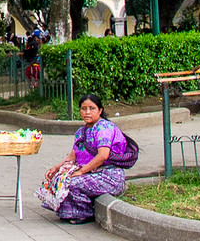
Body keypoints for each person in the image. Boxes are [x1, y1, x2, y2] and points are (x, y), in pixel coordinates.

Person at [37, 93, 131, 224]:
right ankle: (72, 210)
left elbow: (103, 155)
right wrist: (55, 169)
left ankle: (85, 212)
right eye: (83, 108)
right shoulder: (82, 131)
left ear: (100, 111)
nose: (87, 112)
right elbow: (73, 156)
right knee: (58, 179)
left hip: (109, 175)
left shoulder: (104, 128)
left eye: (92, 108)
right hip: (92, 173)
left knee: (71, 183)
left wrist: (81, 172)